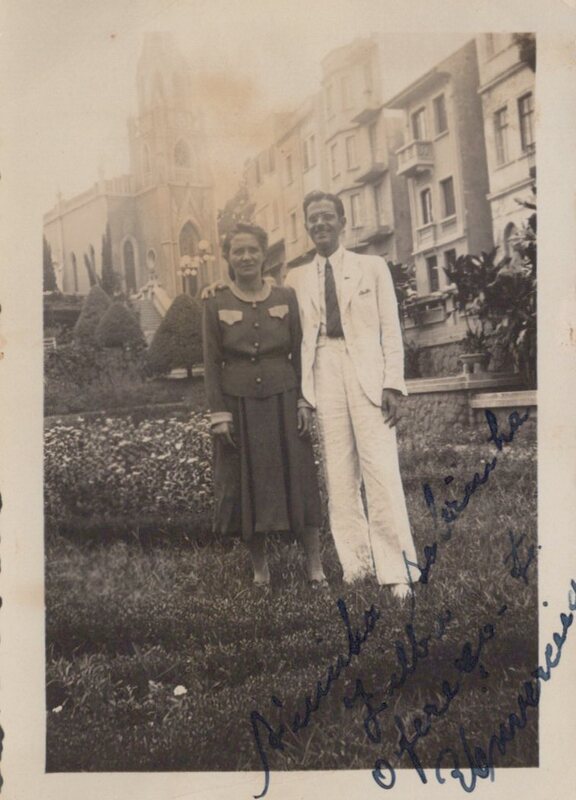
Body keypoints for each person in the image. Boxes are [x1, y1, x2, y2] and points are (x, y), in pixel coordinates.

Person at [284, 191, 417, 600]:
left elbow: (391, 329)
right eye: (313, 218)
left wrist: (392, 383)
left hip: (368, 374)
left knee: (380, 470)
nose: (320, 224)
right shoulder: (295, 278)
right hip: (323, 370)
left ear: (342, 222)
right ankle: (357, 566)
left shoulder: (371, 267)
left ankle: (397, 571)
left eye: (327, 216)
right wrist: (304, 396)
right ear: (307, 226)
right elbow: (294, 341)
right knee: (338, 475)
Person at [202, 222, 326, 589]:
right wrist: (219, 414)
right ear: (228, 258)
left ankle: (315, 565)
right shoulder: (215, 302)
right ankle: (260, 569)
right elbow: (211, 363)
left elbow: (300, 352)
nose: (246, 257)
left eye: (252, 250)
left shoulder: (286, 297)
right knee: (246, 483)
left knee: (299, 477)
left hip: (284, 400)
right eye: (237, 251)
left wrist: (304, 401)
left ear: (263, 254)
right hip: (238, 404)